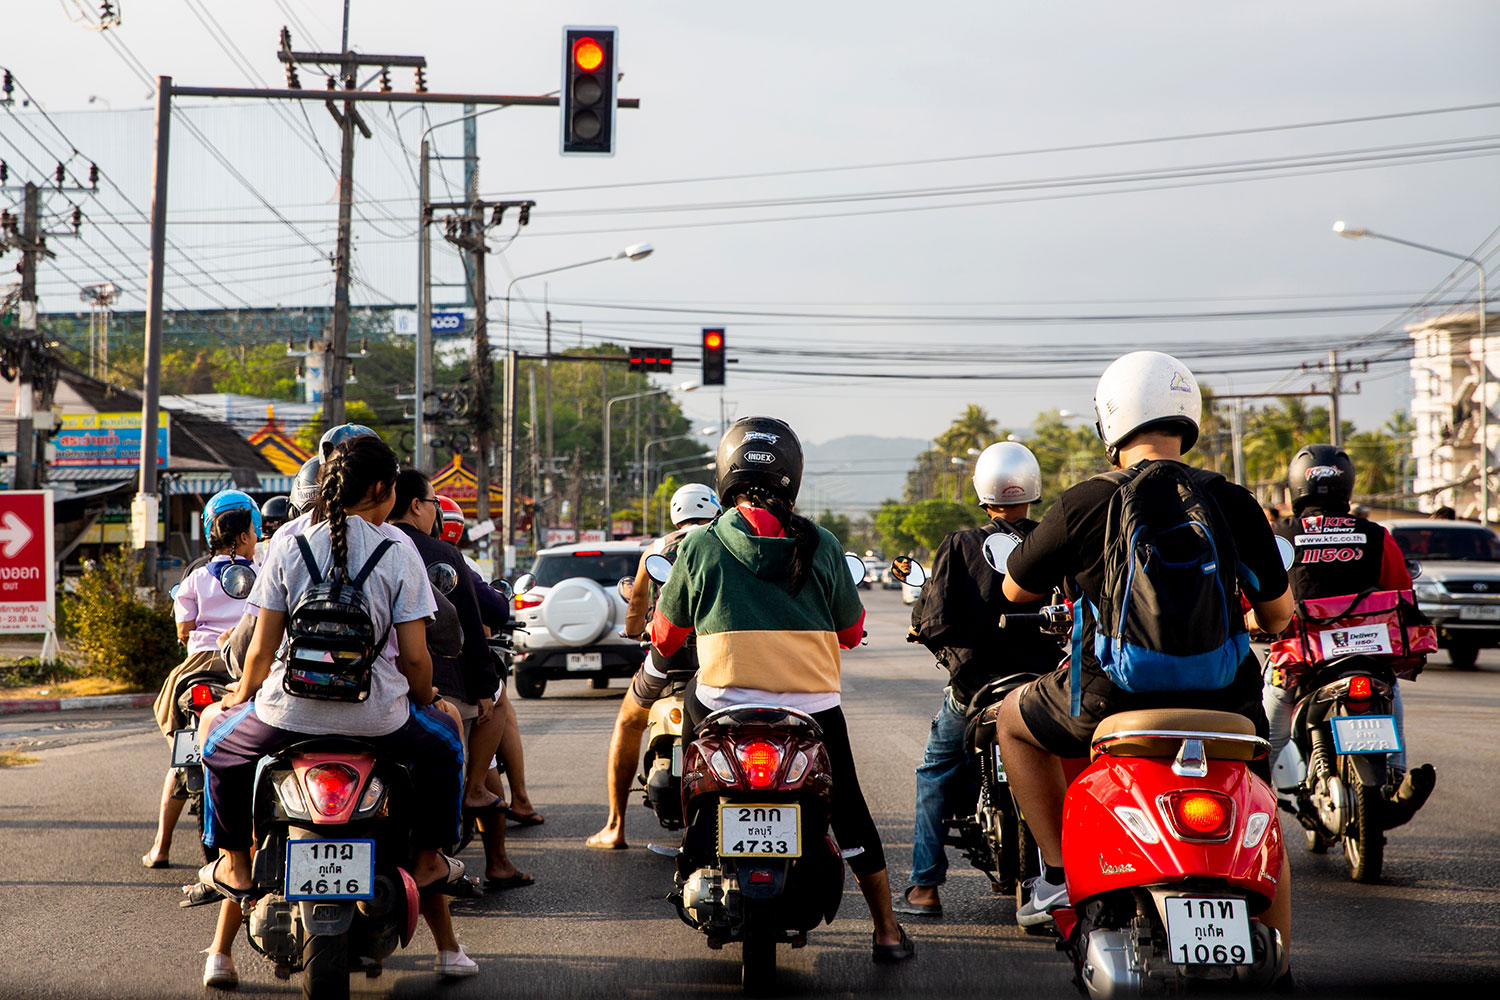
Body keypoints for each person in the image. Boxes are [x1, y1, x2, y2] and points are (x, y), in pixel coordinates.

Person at [993, 351, 1294, 978]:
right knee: (1258, 809)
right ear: (1188, 417)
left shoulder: (1085, 502)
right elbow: (1280, 617)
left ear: (1111, 421)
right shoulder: (1231, 500)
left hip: (1109, 700)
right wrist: (1245, 625)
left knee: (1009, 725)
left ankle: (1056, 877)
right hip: (1227, 705)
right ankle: (1281, 958)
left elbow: (1015, 591)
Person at [196, 435, 478, 988]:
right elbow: (418, 658)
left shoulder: (286, 543)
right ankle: (428, 858)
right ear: (380, 489)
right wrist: (428, 700)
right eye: (394, 482)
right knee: (448, 746)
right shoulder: (398, 549)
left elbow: (258, 647)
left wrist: (240, 694)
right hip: (379, 720)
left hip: (287, 715)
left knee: (216, 751)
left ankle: (232, 859)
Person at [652, 417, 915, 963]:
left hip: (724, 706)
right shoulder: (821, 545)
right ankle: (887, 930)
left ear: (726, 473)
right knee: (850, 812)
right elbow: (849, 632)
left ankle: (695, 832)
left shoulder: (701, 544)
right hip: (812, 712)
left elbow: (666, 634)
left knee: (694, 753)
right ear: (791, 477)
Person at [895, 442, 1063, 918]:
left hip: (977, 689)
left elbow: (934, 617)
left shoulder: (961, 543)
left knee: (933, 773)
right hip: (1040, 687)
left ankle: (925, 888)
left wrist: (937, 641)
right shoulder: (1054, 541)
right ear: (1031, 489)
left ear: (982, 491)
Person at [1265, 444, 1436, 820]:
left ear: (1296, 486)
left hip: (1301, 658)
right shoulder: (1375, 535)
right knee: (1390, 695)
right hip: (1367, 655)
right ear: (1347, 485)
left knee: (1270, 732)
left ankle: (1255, 792)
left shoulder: (1279, 537)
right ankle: (1396, 776)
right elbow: (1401, 591)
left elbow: (1258, 598)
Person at [390, 470, 531, 889]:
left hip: (356, 689)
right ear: (416, 505)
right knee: (493, 708)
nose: (434, 511)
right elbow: (469, 626)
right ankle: (482, 813)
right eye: (433, 502)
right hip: (432, 684)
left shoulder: (323, 546)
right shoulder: (441, 554)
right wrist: (485, 686)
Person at [585, 482, 721, 851]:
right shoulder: (727, 539)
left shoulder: (660, 547)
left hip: (670, 656)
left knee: (629, 721)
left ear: (676, 513)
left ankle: (615, 826)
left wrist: (634, 629)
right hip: (719, 653)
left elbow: (638, 601)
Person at [144, 491, 260, 871]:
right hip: (244, 667)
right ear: (245, 536)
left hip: (198, 668)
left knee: (180, 754)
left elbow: (183, 629)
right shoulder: (264, 572)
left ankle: (161, 847)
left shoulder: (194, 575)